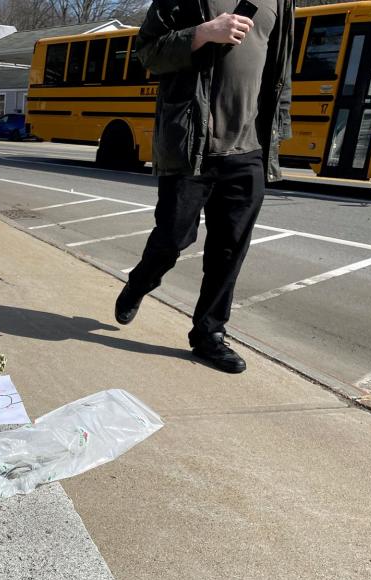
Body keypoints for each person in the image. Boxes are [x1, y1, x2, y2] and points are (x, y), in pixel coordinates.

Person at [115, 0, 294, 373]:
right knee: (173, 236)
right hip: (192, 144)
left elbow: (280, 69)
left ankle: (208, 334)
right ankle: (140, 282)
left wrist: (277, 130)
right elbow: (147, 54)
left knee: (230, 250)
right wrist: (202, 33)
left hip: (249, 149)